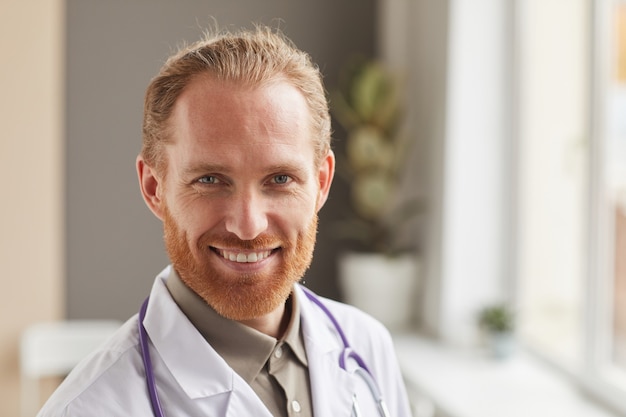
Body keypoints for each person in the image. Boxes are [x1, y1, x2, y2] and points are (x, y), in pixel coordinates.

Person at [38, 25, 413, 417]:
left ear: (321, 183)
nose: (248, 226)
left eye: (280, 179)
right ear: (154, 188)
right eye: (210, 180)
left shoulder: (367, 347)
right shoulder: (90, 407)